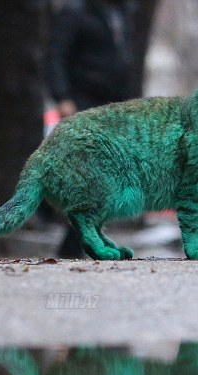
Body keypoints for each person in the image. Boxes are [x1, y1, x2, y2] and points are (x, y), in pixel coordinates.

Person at [47, 0, 138, 258]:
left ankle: (77, 242)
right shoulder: (76, 11)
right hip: (82, 105)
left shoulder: (121, 11)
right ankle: (75, 242)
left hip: (111, 107)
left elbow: (123, 60)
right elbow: (56, 55)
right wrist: (63, 97)